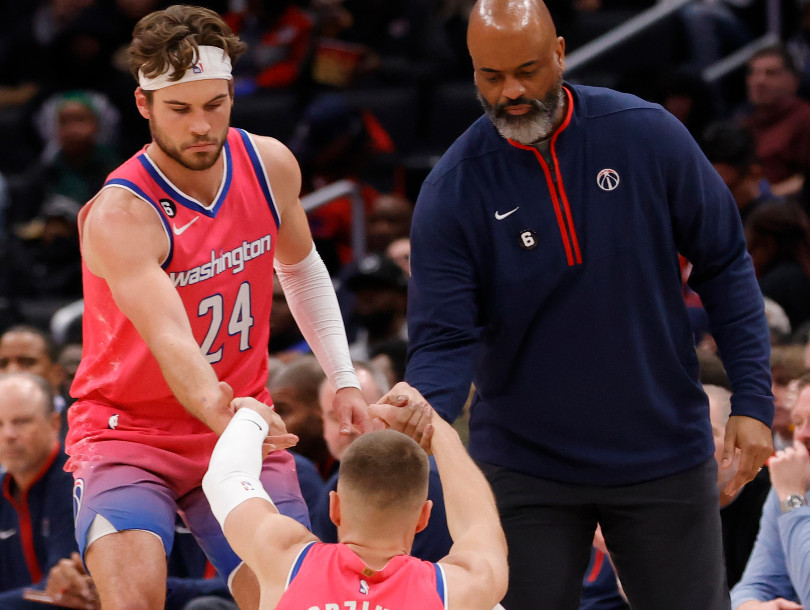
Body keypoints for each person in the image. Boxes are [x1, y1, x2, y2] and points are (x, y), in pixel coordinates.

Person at [404, 0, 774, 607]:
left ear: (560, 54)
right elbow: (444, 338)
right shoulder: (452, 189)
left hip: (663, 451)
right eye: (491, 77)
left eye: (526, 71)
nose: (511, 92)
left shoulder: (646, 133)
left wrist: (754, 400)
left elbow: (725, 262)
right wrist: (419, 409)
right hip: (525, 467)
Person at [65, 5, 368, 608]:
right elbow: (172, 340)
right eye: (180, 109)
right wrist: (229, 417)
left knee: (291, 596)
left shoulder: (269, 164)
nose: (201, 125)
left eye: (215, 104)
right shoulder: (122, 213)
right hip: (130, 432)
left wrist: (342, 379)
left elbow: (301, 268)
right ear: (145, 104)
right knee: (135, 597)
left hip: (239, 415)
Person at [201, 381, 508, 610]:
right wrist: (436, 428)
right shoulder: (454, 589)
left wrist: (253, 417)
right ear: (423, 518)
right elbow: (479, 525)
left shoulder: (285, 558)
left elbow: (227, 478)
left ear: (334, 507)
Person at [0, 372, 82, 606]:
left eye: (22, 421)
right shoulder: (4, 487)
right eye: (0, 424)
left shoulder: (77, 484)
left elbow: (63, 593)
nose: (8, 435)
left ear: (55, 424)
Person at [730, 372, 810, 608]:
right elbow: (757, 583)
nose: (802, 435)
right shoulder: (791, 483)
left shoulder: (791, 490)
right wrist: (752, 606)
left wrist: (793, 499)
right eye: (798, 422)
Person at [739, 44, 810, 198]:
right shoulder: (745, 124)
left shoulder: (805, 119)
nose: (759, 81)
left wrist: (769, 196)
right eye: (753, 73)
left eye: (771, 73)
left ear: (794, 81)